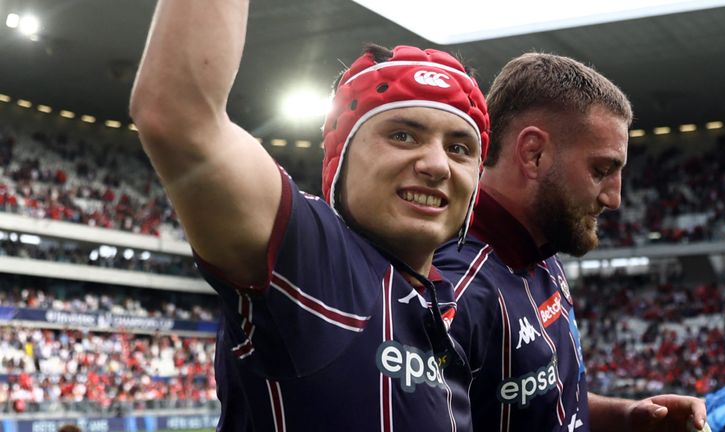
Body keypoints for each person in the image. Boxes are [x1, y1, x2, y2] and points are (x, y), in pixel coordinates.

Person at [130, 1, 489, 430]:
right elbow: (178, 116)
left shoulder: (448, 307)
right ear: (341, 160)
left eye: (460, 148)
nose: (437, 165)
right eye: (403, 135)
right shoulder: (314, 256)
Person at [434, 52, 708, 432]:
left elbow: (549, 402)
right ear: (534, 154)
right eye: (601, 170)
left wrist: (628, 415)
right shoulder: (452, 290)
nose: (615, 198)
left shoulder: (544, 250)